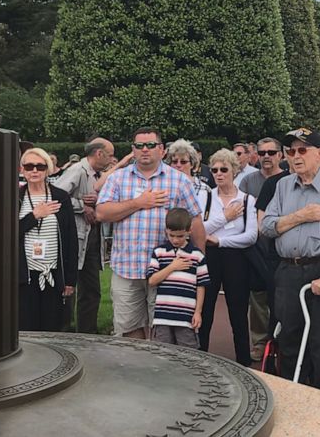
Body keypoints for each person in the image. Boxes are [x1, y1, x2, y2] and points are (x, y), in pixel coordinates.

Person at [260, 127, 320, 404]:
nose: (296, 156)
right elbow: (267, 226)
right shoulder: (282, 185)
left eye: (302, 150)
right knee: (289, 341)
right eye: (291, 151)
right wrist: (302, 215)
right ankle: (294, 407)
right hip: (289, 271)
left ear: (319, 153)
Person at [96, 127, 206, 339]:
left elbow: (195, 221)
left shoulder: (179, 180)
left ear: (162, 150)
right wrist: (139, 203)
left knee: (165, 332)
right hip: (127, 268)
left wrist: (198, 262)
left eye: (150, 145)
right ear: (133, 150)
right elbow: (101, 212)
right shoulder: (118, 179)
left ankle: (161, 371)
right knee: (128, 330)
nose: (144, 150)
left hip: (168, 271)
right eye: (139, 146)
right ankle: (136, 371)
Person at [54, 137, 130, 333]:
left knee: (91, 289)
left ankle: (86, 331)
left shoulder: (97, 174)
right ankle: (65, 331)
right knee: (71, 287)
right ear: (99, 154)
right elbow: (55, 197)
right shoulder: (77, 171)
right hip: (76, 239)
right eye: (110, 155)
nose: (112, 159)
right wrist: (82, 206)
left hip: (91, 238)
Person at [197, 149, 259, 365]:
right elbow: (199, 230)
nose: (219, 174)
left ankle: (243, 361)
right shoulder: (205, 196)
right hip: (210, 257)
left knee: (238, 310)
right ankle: (200, 356)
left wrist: (220, 240)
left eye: (224, 169)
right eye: (214, 170)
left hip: (236, 258)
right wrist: (225, 217)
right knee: (206, 308)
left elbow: (250, 236)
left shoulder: (248, 200)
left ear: (234, 170)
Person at [18, 148, 78, 331]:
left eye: (40, 167)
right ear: (22, 170)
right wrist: (34, 216)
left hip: (53, 273)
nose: (34, 171)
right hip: (25, 276)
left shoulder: (60, 197)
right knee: (26, 327)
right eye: (29, 166)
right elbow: (5, 234)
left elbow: (70, 238)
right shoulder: (15, 197)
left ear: (49, 169)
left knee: (53, 327)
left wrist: (70, 279)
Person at [238, 137, 285, 361]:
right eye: (262, 152)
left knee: (282, 297)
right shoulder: (247, 181)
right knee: (257, 297)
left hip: (282, 249)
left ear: (280, 155)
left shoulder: (288, 179)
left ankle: (281, 341)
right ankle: (259, 341)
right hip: (256, 248)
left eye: (271, 152)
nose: (267, 156)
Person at [147, 208, 210, 349]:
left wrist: (198, 312)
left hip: (185, 318)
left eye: (180, 236)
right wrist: (172, 266)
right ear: (166, 231)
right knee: (162, 354)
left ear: (189, 231)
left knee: (188, 354)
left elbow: (201, 285)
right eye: (171, 235)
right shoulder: (159, 252)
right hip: (163, 316)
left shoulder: (197, 255)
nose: (175, 240)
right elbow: (152, 280)